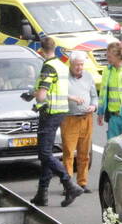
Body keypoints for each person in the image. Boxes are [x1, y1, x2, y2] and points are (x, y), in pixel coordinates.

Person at [27, 36, 83, 208]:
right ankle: (41, 194)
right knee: (47, 153)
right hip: (60, 111)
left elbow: (43, 95)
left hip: (49, 113)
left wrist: (34, 96)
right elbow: (57, 90)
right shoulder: (61, 65)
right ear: (55, 48)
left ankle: (69, 184)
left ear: (41, 50)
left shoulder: (48, 67)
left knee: (44, 154)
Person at [62, 50, 97, 194]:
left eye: (81, 65)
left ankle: (82, 183)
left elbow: (95, 96)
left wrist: (94, 106)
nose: (79, 68)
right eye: (77, 65)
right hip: (70, 118)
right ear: (71, 64)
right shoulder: (64, 78)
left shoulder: (88, 77)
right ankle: (68, 184)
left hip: (86, 118)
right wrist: (72, 98)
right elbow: (58, 94)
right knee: (69, 153)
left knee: (84, 153)